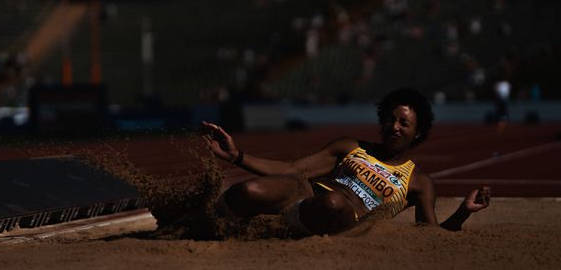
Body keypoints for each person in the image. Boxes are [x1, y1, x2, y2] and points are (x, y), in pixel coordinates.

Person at [201, 87, 490, 235]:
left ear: (417, 133)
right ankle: (197, 221)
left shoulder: (419, 182)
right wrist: (236, 156)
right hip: (307, 195)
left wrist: (464, 212)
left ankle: (275, 227)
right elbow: (294, 170)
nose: (394, 127)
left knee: (334, 203)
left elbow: (429, 234)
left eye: (404, 123)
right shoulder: (350, 146)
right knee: (249, 191)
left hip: (346, 218)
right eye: (390, 119)